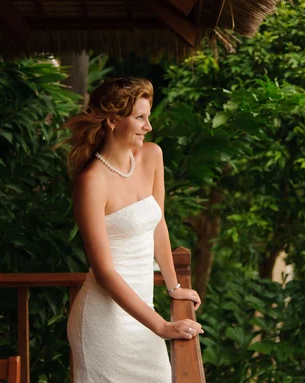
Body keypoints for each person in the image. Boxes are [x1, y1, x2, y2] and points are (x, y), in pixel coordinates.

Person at [64, 77, 202, 382]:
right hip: (105, 323)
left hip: (144, 314)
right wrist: (162, 327)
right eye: (140, 118)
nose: (148, 126)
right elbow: (104, 272)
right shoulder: (92, 183)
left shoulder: (152, 156)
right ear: (113, 121)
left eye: (148, 116)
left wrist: (174, 287)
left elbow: (158, 225)